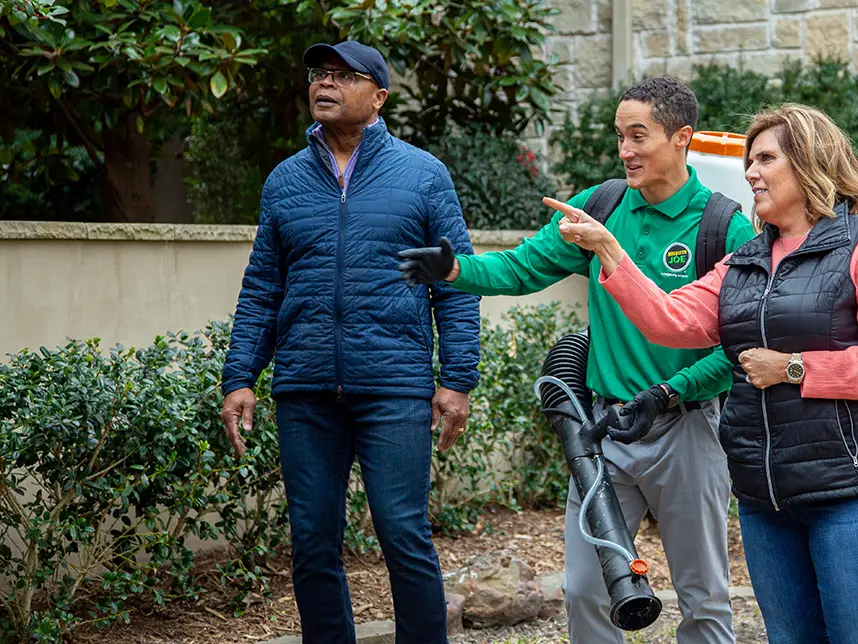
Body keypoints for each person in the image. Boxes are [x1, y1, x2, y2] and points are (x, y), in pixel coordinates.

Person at [549, 103, 858, 644]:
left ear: (809, 162)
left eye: (766, 159)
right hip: (765, 495)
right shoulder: (745, 261)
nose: (750, 172)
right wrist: (609, 250)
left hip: (853, 490)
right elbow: (669, 319)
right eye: (749, 161)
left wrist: (793, 368)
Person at [398, 77, 754, 643]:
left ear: (682, 137)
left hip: (686, 430)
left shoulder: (722, 225)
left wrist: (668, 391)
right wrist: (454, 269)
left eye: (639, 136)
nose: (626, 151)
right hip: (606, 433)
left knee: (703, 595)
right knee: (586, 590)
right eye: (619, 137)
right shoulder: (600, 207)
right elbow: (521, 267)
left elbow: (734, 350)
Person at [219, 41, 481, 644]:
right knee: (311, 540)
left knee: (403, 534)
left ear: (379, 96)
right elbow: (262, 288)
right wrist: (240, 377)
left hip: (392, 386)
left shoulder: (420, 176)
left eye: (343, 75)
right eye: (319, 74)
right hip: (306, 391)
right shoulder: (286, 180)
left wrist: (457, 379)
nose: (326, 84)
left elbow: (454, 284)